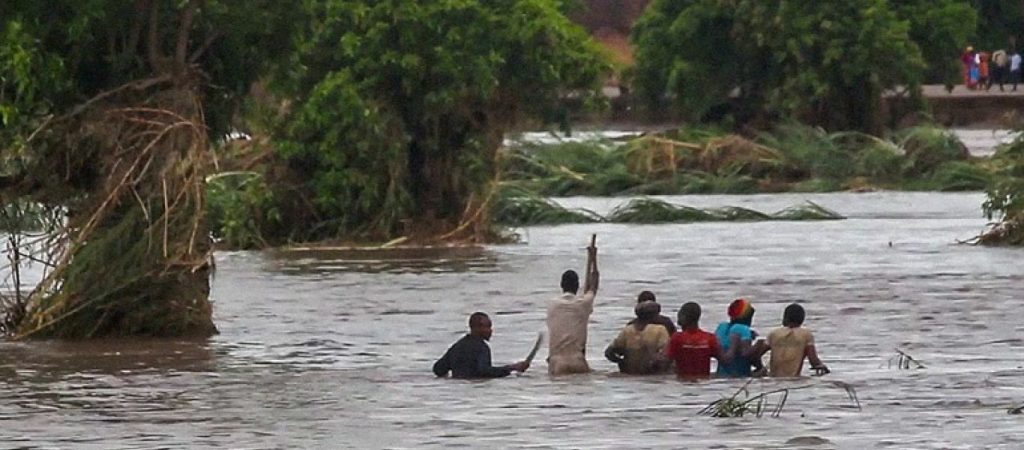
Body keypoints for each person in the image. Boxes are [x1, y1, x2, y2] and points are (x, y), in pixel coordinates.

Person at [547, 241, 600, 375]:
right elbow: (594, 285)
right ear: (577, 285)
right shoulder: (582, 303)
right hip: (578, 360)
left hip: (557, 361)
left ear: (561, 285)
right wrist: (593, 257)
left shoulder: (552, 304)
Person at [433, 312, 529, 379]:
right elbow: (484, 371)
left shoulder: (457, 346)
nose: (490, 330)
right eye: (487, 327)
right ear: (475, 327)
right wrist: (512, 368)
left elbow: (438, 369)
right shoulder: (481, 347)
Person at [665, 302, 735, 378]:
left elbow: (665, 363)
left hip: (683, 384)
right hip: (704, 384)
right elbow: (726, 361)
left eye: (679, 314)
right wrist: (733, 345)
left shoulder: (677, 338)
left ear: (684, 316)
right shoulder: (709, 338)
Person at [604, 301, 672, 374]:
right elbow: (666, 353)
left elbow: (609, 352)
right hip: (651, 374)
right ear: (654, 315)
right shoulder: (660, 330)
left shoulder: (627, 330)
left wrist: (621, 362)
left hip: (630, 373)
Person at [765, 304, 829, 377]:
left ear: (785, 317)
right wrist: (824, 368)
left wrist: (760, 368)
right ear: (802, 319)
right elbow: (813, 361)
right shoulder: (806, 334)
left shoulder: (774, 333)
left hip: (773, 379)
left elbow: (757, 354)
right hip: (794, 379)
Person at [714, 298, 767, 377]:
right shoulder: (743, 329)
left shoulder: (722, 327)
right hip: (739, 375)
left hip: (721, 374)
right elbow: (745, 353)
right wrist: (759, 344)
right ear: (748, 318)